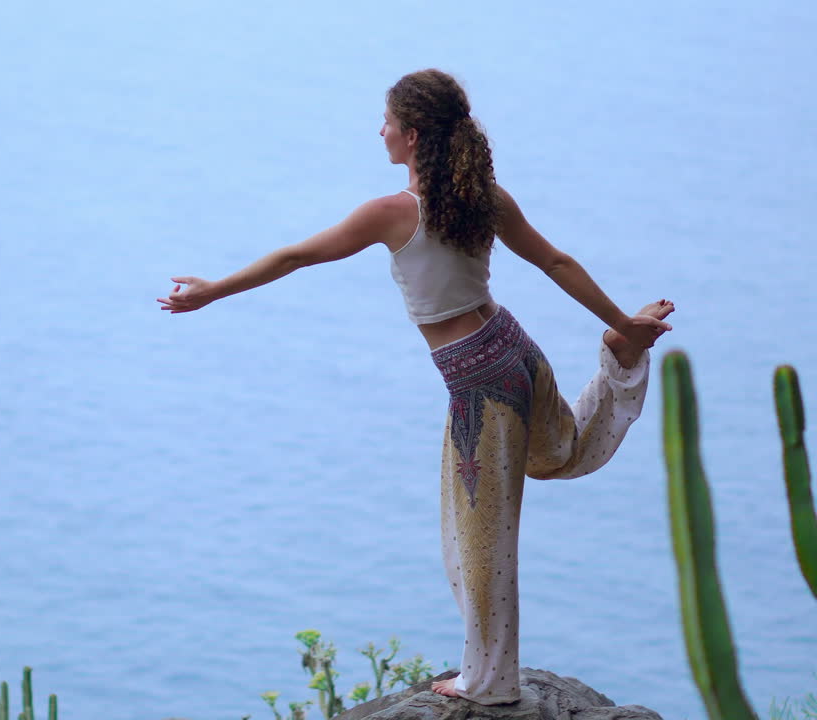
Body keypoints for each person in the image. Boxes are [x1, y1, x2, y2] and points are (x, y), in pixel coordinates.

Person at [157, 68, 675, 705]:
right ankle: (617, 359)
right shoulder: (484, 196)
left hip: (479, 385)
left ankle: (488, 683)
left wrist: (213, 291)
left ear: (413, 135)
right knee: (555, 452)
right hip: (516, 351)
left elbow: (297, 256)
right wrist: (620, 321)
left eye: (388, 123)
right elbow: (555, 262)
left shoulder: (393, 213)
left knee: (479, 536)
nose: (380, 131)